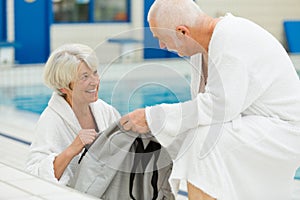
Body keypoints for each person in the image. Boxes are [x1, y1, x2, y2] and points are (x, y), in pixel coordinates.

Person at [120, 0, 300, 199]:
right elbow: (203, 113)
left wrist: (153, 116)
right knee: (190, 138)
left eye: (162, 39)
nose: (162, 46)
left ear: (182, 32)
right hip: (257, 124)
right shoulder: (201, 49)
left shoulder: (231, 38)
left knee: (204, 142)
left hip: (285, 131)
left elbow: (219, 108)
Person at [26, 43, 120, 186]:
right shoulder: (51, 121)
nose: (94, 82)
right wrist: (72, 149)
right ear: (64, 88)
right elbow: (35, 174)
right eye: (84, 77)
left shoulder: (105, 110)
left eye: (95, 72)